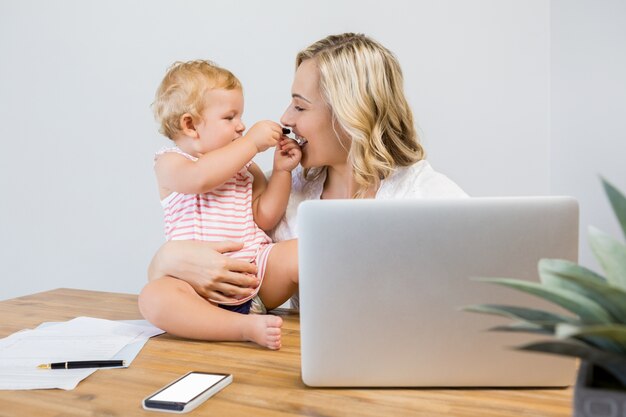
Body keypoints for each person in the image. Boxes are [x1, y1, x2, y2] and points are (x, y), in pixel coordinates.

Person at [141, 33, 467, 331]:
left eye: (299, 105)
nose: (285, 118)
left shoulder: (427, 197)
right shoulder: (291, 191)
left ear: (350, 115)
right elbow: (176, 282)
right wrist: (165, 260)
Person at [138, 60, 301, 349]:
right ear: (190, 125)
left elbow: (265, 217)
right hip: (195, 291)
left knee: (301, 252)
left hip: (254, 280)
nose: (241, 126)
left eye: (241, 116)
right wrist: (251, 142)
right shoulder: (171, 162)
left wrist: (282, 172)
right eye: (229, 117)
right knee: (153, 298)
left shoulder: (245, 168)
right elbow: (199, 178)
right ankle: (242, 328)